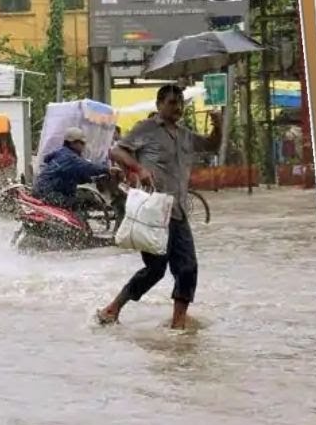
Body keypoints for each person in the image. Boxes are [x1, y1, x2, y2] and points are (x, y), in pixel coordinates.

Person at [97, 84, 223, 330]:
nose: (177, 107)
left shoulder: (185, 134)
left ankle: (178, 324)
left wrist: (218, 126)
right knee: (155, 270)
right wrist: (140, 168)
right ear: (159, 105)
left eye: (180, 102)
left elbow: (211, 146)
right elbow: (116, 151)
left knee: (188, 268)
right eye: (172, 102)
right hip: (153, 212)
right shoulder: (147, 129)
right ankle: (113, 308)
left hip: (178, 212)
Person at [32, 127, 118, 221]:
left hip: (41, 191)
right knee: (85, 199)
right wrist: (108, 169)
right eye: (81, 143)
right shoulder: (71, 158)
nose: (83, 146)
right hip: (51, 194)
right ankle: (80, 228)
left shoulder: (60, 153)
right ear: (73, 143)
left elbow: (74, 174)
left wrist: (91, 179)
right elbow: (89, 167)